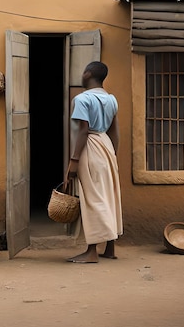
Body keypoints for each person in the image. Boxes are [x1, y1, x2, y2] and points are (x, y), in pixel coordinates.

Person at [65, 61, 122, 263]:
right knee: (108, 195)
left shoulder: (82, 99)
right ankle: (110, 248)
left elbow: (83, 130)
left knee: (93, 198)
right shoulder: (112, 99)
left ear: (88, 74)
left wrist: (73, 161)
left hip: (90, 145)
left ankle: (91, 252)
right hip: (106, 145)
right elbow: (115, 132)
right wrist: (113, 156)